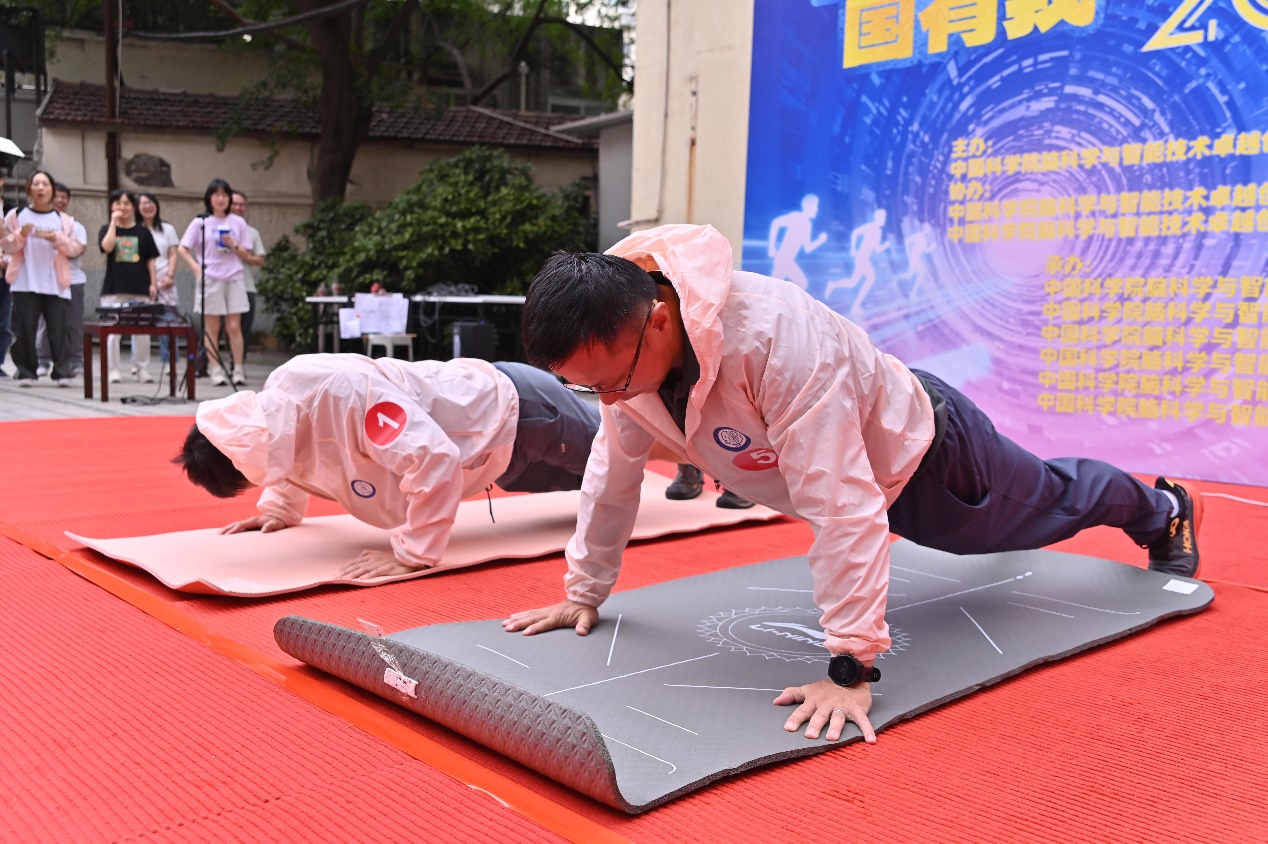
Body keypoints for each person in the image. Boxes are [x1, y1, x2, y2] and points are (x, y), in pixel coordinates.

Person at [502, 223, 1204, 747]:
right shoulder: (624, 359)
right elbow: (611, 475)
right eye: (589, 389)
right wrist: (583, 591)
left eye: (614, 381)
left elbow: (843, 506)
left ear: (658, 321)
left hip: (928, 454)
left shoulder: (776, 338)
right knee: (1006, 517)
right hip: (865, 460)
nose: (610, 400)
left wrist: (850, 666)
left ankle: (1163, 508)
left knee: (1047, 504)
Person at [174, 354, 602, 580]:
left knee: (622, 456)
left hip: (520, 410)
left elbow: (433, 458)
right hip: (496, 455)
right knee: (594, 484)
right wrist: (279, 509)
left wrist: (412, 553)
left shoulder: (347, 396)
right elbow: (288, 455)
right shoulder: (274, 413)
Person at [0, 170, 85, 386]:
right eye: (36, 184)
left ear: (52, 190)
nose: (40, 188)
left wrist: (57, 238)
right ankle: (26, 372)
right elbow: (7, 245)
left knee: (60, 328)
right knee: (25, 329)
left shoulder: (63, 220)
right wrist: (21, 234)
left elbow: (75, 249)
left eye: (45, 184)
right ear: (29, 188)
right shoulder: (16, 215)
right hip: (25, 281)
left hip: (56, 281)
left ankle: (62, 372)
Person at [178, 178, 251, 386]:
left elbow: (247, 253)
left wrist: (234, 245)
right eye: (216, 195)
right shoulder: (200, 223)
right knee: (212, 328)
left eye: (224, 195)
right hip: (210, 278)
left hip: (234, 277)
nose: (220, 199)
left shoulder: (238, 222)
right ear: (209, 198)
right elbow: (183, 247)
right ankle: (215, 368)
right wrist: (196, 268)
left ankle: (238, 369)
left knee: (234, 326)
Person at [98, 188, 160, 383]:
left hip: (140, 287)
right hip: (114, 288)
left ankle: (141, 368)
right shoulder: (106, 229)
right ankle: (113, 370)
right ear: (111, 206)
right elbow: (107, 247)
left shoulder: (143, 232)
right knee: (112, 332)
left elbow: (151, 260)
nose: (122, 207)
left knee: (142, 332)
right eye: (118, 203)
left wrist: (153, 283)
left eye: (126, 203)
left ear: (133, 207)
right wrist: (113, 223)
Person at [35, 184, 88, 377]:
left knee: (74, 323)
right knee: (44, 323)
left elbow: (78, 250)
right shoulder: (39, 225)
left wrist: (58, 241)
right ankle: (42, 360)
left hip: (73, 280)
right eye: (56, 196)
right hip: (46, 281)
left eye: (64, 197)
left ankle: (76, 360)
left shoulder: (76, 226)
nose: (60, 200)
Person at [138, 192, 181, 376]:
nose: (148, 206)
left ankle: (170, 362)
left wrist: (170, 275)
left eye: (151, 202)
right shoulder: (135, 229)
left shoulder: (167, 229)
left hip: (165, 282)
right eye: (143, 203)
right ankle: (139, 365)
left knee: (168, 324)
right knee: (139, 325)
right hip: (141, 283)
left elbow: (173, 253)